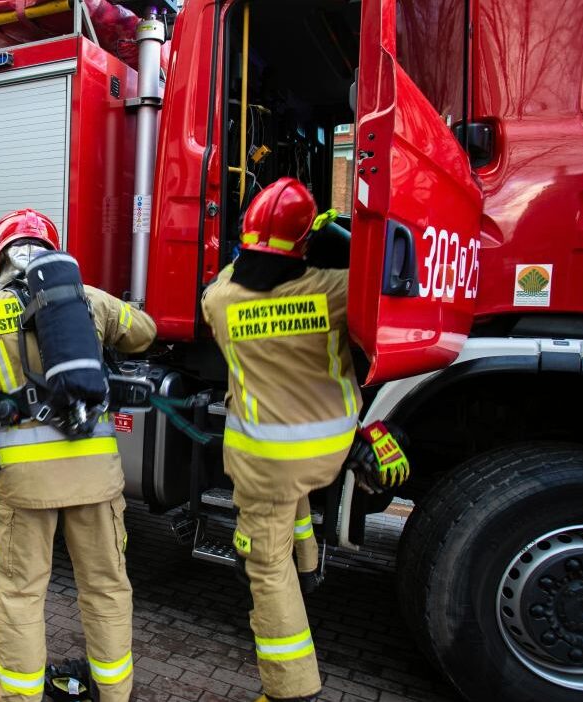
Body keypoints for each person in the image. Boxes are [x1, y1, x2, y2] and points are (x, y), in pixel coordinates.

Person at [0, 209, 156, 702]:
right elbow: (145, 332)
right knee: (107, 587)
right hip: (97, 478)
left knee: (22, 592)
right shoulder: (89, 300)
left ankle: (20, 696)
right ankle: (115, 694)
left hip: (27, 485)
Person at [201, 178, 360, 702]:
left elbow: (225, 278)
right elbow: (370, 273)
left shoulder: (221, 300)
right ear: (304, 245)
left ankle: (291, 689)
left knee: (264, 564)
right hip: (330, 450)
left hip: (265, 460)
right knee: (292, 496)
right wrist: (330, 234)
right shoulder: (334, 291)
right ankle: (310, 565)